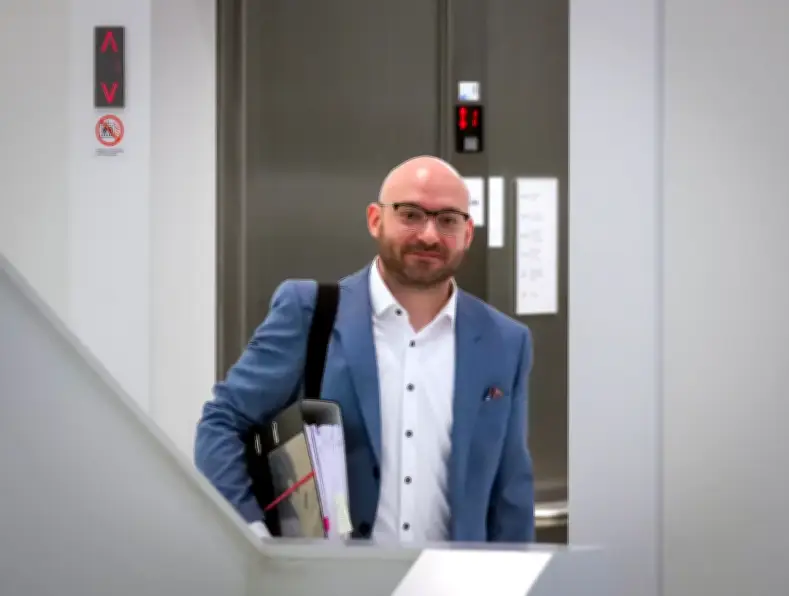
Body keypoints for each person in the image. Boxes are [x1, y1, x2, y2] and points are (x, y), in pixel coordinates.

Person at [194, 155, 535, 543]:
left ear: (468, 232)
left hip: (450, 574)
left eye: (447, 220)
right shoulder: (310, 312)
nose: (429, 235)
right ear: (376, 219)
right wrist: (255, 538)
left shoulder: (506, 341)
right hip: (332, 573)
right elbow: (222, 423)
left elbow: (511, 486)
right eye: (411, 215)